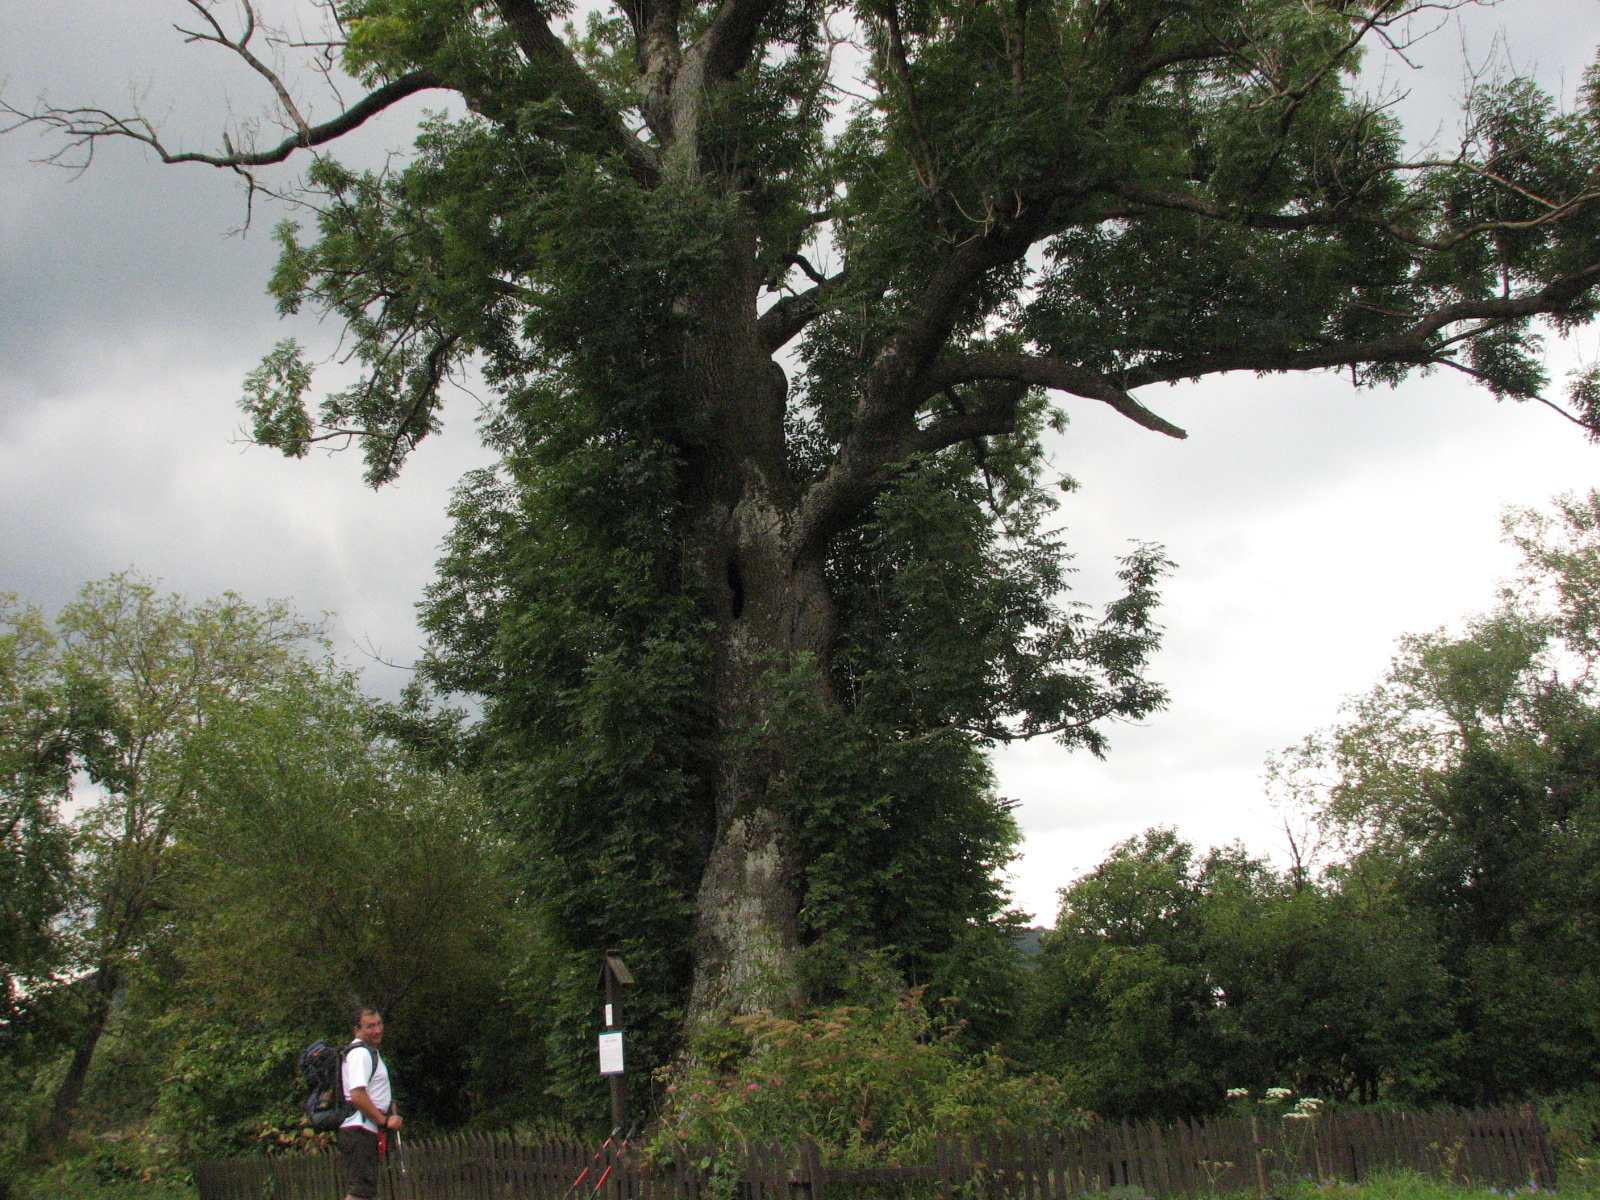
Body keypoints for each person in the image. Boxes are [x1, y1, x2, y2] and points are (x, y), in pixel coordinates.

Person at [338, 1005, 402, 1200]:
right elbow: (357, 1095)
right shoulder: (360, 1054)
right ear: (356, 1030)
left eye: (379, 1024)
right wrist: (384, 1121)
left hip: (365, 1130)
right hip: (360, 1130)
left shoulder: (369, 1052)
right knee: (360, 1193)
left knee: (364, 1191)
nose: (377, 1030)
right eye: (370, 1026)